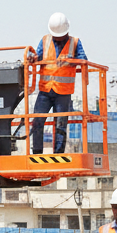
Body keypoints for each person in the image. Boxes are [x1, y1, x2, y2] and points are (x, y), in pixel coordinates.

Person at [28, 12, 87, 154]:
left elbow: (83, 60)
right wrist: (33, 58)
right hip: (45, 90)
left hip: (63, 92)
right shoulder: (45, 40)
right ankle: (36, 151)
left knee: (60, 124)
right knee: (37, 121)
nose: (58, 38)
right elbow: (39, 56)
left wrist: (70, 60)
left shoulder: (75, 42)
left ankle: (58, 153)